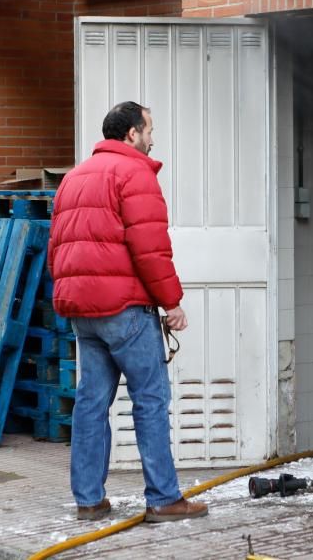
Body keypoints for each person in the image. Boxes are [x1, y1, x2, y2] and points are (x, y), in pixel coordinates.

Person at [48, 101, 208, 523]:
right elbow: (150, 248)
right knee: (150, 401)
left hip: (82, 311)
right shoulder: (135, 172)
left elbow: (57, 248)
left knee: (90, 404)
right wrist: (171, 302)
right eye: (149, 130)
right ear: (132, 134)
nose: (153, 139)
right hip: (125, 310)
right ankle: (164, 499)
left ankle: (89, 499)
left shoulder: (74, 178)